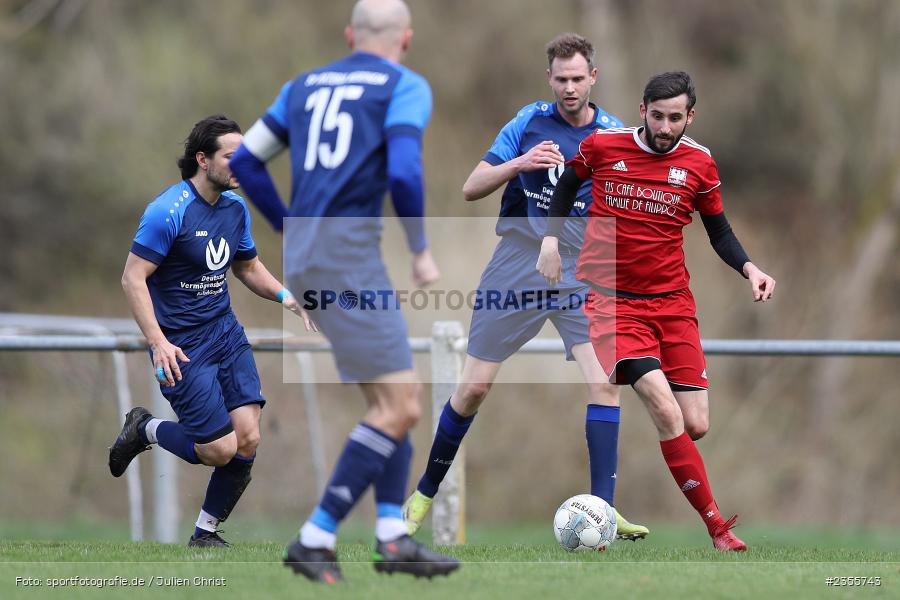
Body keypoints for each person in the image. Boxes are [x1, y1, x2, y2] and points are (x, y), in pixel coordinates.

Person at [229, 0, 458, 584]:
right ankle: (315, 536)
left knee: (394, 399)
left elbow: (248, 161)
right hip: (348, 261)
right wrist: (420, 249)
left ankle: (391, 538)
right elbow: (405, 173)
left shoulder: (302, 86)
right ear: (404, 39)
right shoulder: (404, 86)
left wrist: (286, 225)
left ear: (350, 35)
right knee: (402, 406)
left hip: (309, 259)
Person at [401, 33, 648, 541]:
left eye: (579, 78)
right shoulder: (528, 122)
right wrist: (520, 164)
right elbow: (471, 187)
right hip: (517, 262)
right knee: (473, 388)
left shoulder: (612, 135)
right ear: (549, 79)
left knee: (605, 382)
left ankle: (603, 508)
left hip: (582, 270)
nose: (570, 87)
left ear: (593, 78)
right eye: (561, 79)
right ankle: (424, 492)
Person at [537, 71, 776, 551]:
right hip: (611, 300)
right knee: (664, 408)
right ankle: (718, 530)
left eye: (676, 119)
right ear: (642, 110)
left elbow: (719, 232)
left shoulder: (700, 164)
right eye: (658, 116)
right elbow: (566, 185)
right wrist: (549, 239)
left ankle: (649, 491)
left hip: (672, 304)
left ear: (691, 117)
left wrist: (749, 268)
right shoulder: (604, 147)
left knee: (695, 424)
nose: (666, 128)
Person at [109, 114, 314, 548]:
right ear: (203, 160)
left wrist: (286, 298)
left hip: (225, 332)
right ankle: (144, 428)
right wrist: (159, 342)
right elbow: (133, 278)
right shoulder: (168, 211)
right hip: (180, 346)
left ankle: (205, 533)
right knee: (218, 449)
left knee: (249, 437)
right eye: (232, 157)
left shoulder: (236, 209)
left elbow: (247, 267)